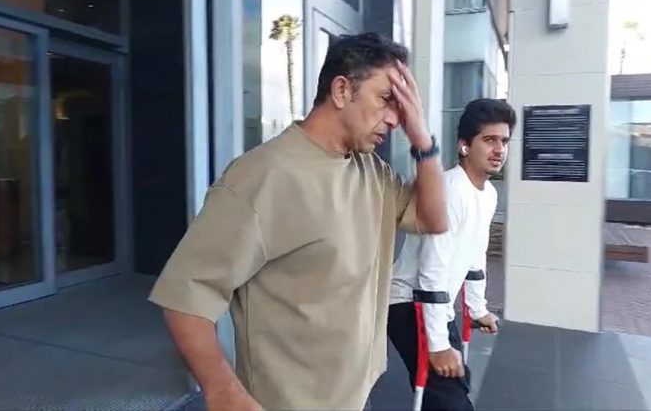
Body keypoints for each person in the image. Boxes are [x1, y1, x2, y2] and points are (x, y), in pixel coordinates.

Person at [148, 32, 448, 410]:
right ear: (342, 90)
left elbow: (433, 218)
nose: (394, 119)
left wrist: (423, 141)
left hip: (356, 395)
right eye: (386, 99)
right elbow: (185, 297)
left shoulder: (370, 170)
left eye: (401, 107)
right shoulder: (263, 176)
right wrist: (223, 390)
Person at [387, 98, 516, 410]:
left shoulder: (488, 194)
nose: (499, 149)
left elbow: (476, 255)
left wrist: (477, 309)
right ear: (464, 146)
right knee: (450, 399)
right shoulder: (450, 190)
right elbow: (431, 271)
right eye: (489, 140)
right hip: (409, 302)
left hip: (435, 305)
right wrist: (437, 345)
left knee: (456, 383)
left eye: (504, 141)